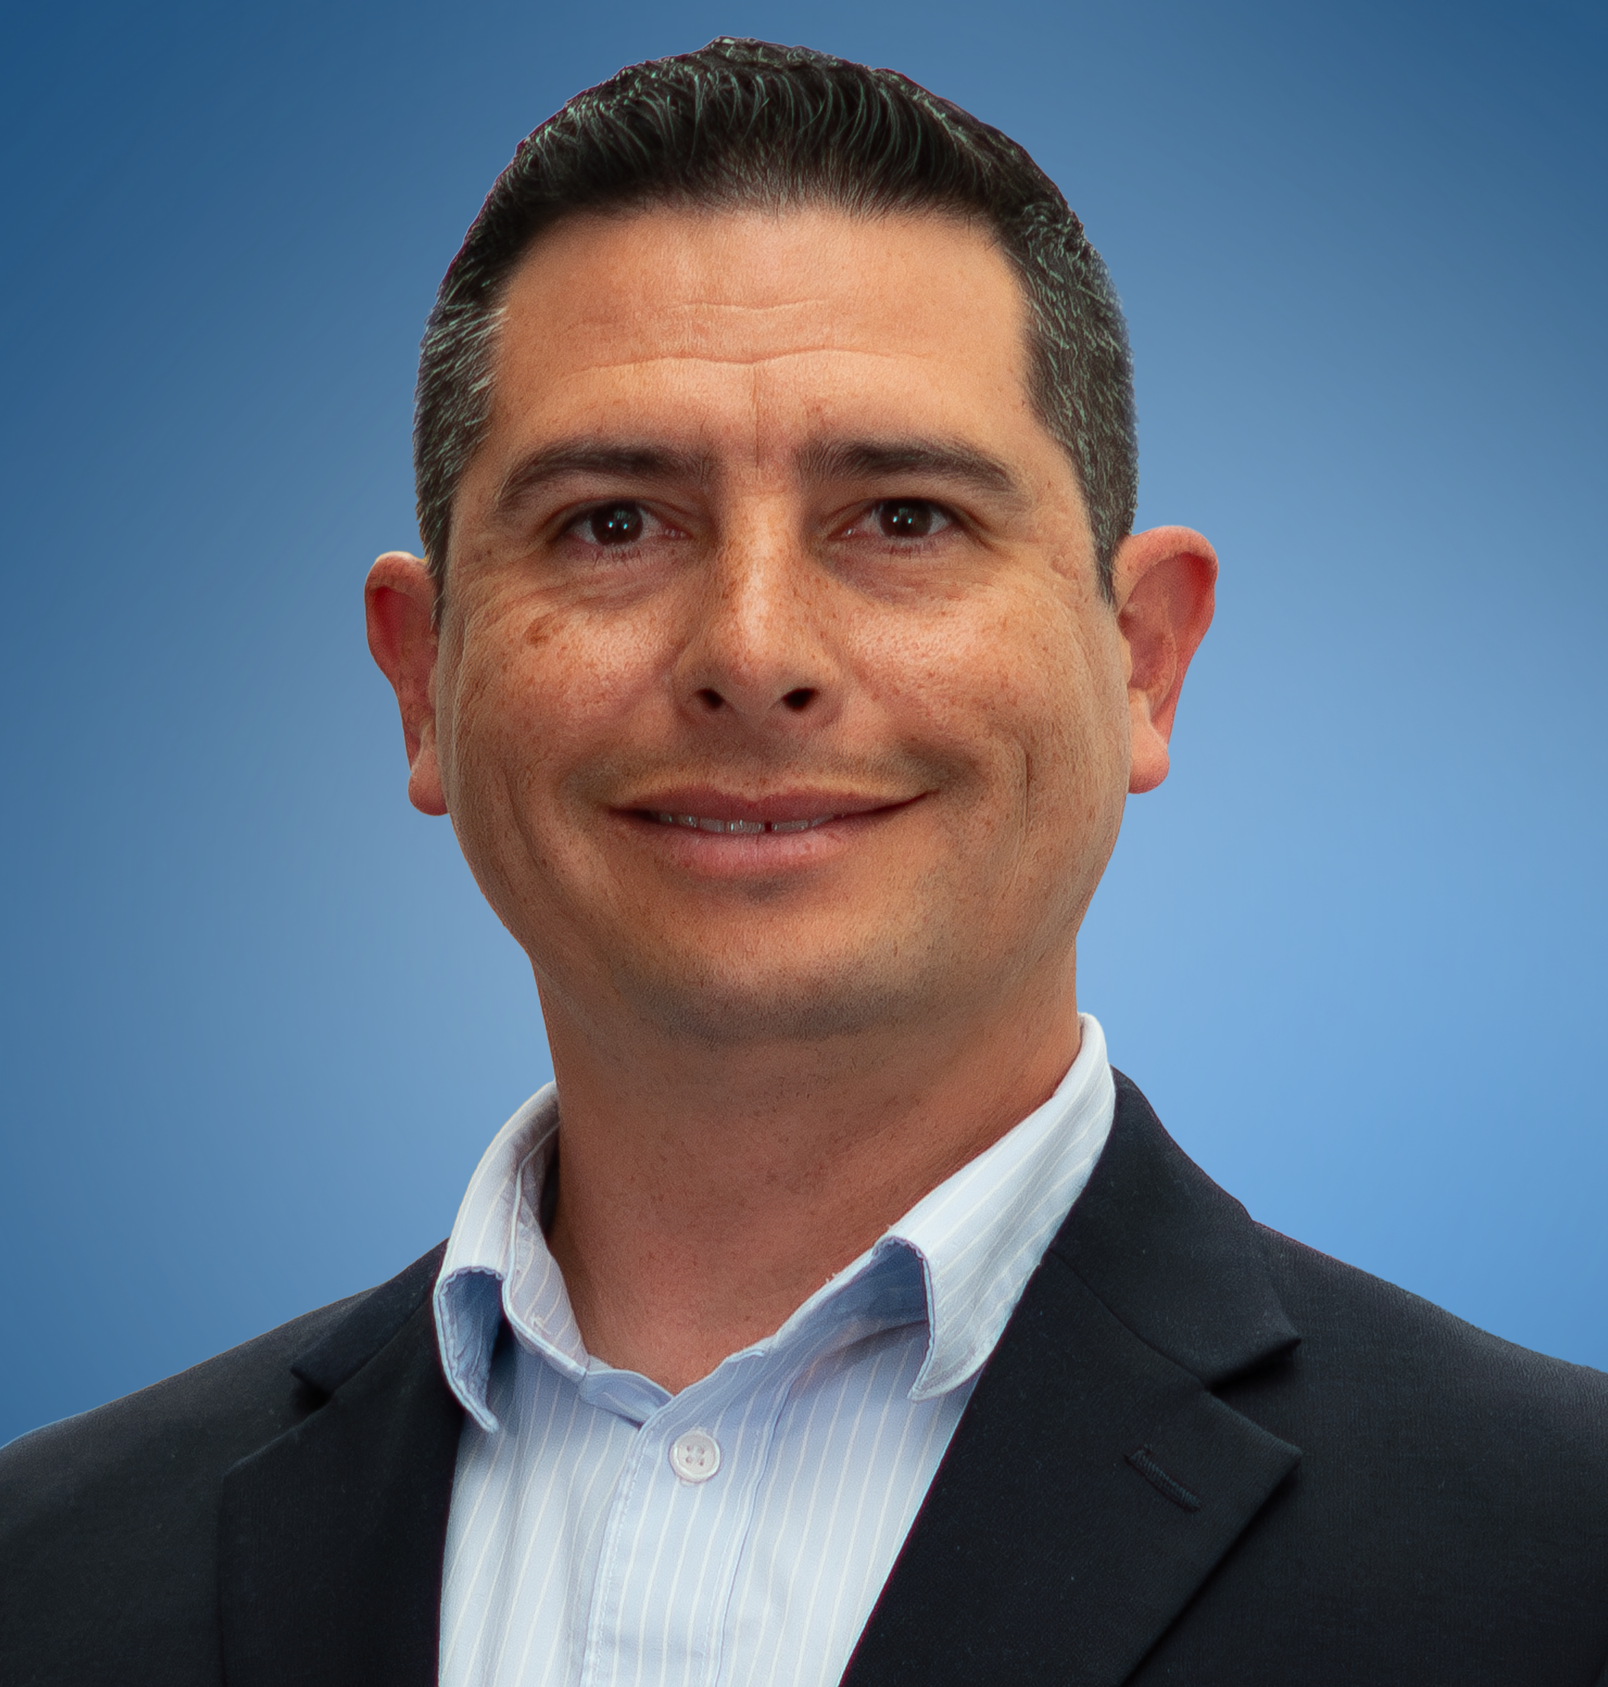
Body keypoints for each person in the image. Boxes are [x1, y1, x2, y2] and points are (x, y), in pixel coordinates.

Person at [2, 37, 1604, 1687]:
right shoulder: (42, 1576)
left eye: (903, 515)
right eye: (613, 520)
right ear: (424, 679)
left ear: (1142, 660)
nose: (754, 651)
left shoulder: (1565, 1557)